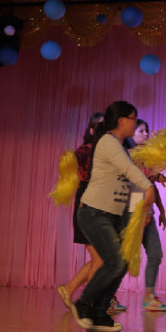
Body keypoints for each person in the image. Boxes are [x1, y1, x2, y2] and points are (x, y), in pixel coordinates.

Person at [70, 101, 155, 332]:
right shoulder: (108, 142)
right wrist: (149, 186)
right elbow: (130, 171)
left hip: (111, 215)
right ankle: (83, 304)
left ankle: (99, 314)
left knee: (122, 262)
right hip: (94, 212)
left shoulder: (120, 147)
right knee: (115, 261)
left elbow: (129, 185)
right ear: (121, 120)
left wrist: (142, 210)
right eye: (133, 119)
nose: (135, 123)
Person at [122, 119, 166, 311]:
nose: (146, 134)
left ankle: (149, 297)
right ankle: (105, 298)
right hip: (133, 212)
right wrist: (142, 210)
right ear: (131, 134)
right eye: (141, 131)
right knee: (124, 258)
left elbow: (151, 185)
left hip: (148, 211)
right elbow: (134, 187)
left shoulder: (147, 157)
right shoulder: (128, 155)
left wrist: (161, 210)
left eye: (147, 130)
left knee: (155, 254)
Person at [57, 112, 104, 309]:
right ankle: (88, 303)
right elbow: (85, 175)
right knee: (100, 259)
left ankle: (69, 289)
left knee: (100, 259)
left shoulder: (106, 151)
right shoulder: (85, 151)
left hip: (98, 209)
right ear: (92, 130)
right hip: (87, 209)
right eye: (100, 126)